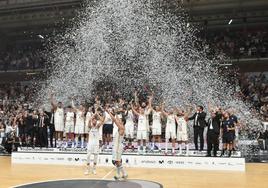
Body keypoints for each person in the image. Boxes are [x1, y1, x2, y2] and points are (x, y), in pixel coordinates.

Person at [106, 108, 128, 180]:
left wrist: (109, 112)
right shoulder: (120, 127)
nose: (119, 120)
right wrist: (115, 113)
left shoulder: (122, 127)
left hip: (118, 147)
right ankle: (119, 175)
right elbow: (117, 119)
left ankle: (124, 173)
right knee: (117, 161)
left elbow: (115, 120)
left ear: (122, 122)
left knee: (117, 161)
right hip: (117, 146)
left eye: (120, 120)